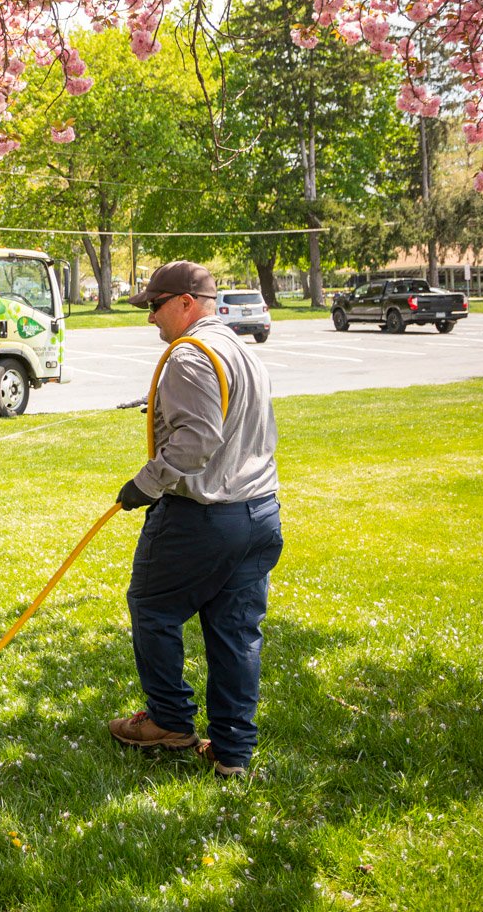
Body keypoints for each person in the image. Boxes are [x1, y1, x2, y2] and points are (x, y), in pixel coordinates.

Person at [106, 260, 283, 778]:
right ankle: (233, 755)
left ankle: (169, 722)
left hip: (202, 518)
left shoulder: (187, 355)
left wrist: (145, 485)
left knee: (153, 608)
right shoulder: (239, 349)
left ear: (186, 302)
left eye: (155, 306)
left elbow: (198, 440)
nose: (150, 319)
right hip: (259, 514)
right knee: (235, 632)